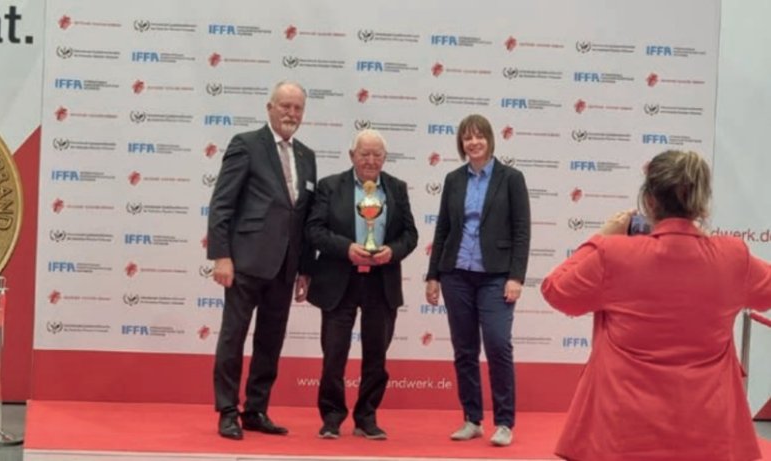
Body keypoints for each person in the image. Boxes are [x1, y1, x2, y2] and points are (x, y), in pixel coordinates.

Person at [541, 150, 771, 461]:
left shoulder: (614, 254)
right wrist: (707, 243)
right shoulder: (732, 256)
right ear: (701, 203)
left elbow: (556, 291)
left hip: (622, 430)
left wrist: (600, 237)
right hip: (707, 431)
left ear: (649, 201)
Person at [207, 81, 317, 440]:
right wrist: (222, 255)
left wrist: (304, 268)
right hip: (245, 260)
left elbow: (302, 217)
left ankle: (256, 409)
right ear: (269, 107)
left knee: (271, 341)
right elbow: (223, 203)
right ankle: (227, 410)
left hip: (285, 266)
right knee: (233, 337)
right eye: (285, 106)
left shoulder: (306, 155)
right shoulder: (246, 144)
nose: (291, 113)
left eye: (297, 108)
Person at [425, 114, 531, 446]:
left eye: (479, 136)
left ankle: (504, 422)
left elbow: (521, 231)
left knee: (498, 345)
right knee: (465, 350)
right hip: (456, 274)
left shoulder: (511, 178)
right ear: (461, 143)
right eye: (467, 138)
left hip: (496, 277)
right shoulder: (453, 179)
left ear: (489, 139)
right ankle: (472, 419)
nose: (473, 143)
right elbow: (443, 229)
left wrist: (516, 276)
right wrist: (433, 275)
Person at [306, 129, 418, 440]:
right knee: (334, 354)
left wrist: (392, 252)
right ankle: (331, 416)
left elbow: (410, 235)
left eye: (377, 155)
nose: (370, 160)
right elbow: (314, 229)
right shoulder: (330, 186)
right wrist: (346, 249)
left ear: (384, 158)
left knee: (376, 356)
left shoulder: (396, 188)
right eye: (364, 154)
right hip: (338, 280)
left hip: (381, 282)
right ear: (352, 155)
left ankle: (366, 417)